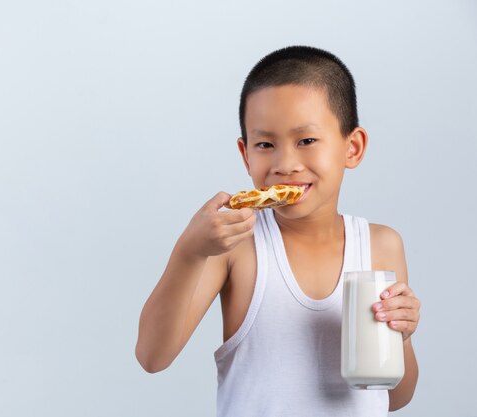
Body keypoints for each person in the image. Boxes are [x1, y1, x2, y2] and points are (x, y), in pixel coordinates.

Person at [135, 45, 420, 416]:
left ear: (352, 148)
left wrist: (402, 338)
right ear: (246, 154)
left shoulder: (381, 245)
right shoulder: (237, 246)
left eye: (306, 141)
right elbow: (152, 356)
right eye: (266, 144)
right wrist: (190, 251)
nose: (286, 164)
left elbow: (394, 397)